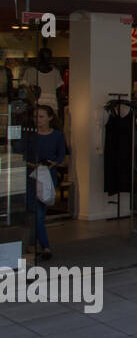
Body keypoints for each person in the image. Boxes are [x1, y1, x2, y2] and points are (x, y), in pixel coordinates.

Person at [21, 104, 66, 260]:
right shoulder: (30, 135)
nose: (37, 120)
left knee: (39, 212)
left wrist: (51, 163)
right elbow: (22, 155)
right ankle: (44, 246)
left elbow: (61, 155)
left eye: (41, 117)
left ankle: (34, 245)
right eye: (35, 117)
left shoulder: (58, 135)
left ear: (50, 118)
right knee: (34, 213)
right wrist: (33, 165)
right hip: (32, 175)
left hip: (47, 175)